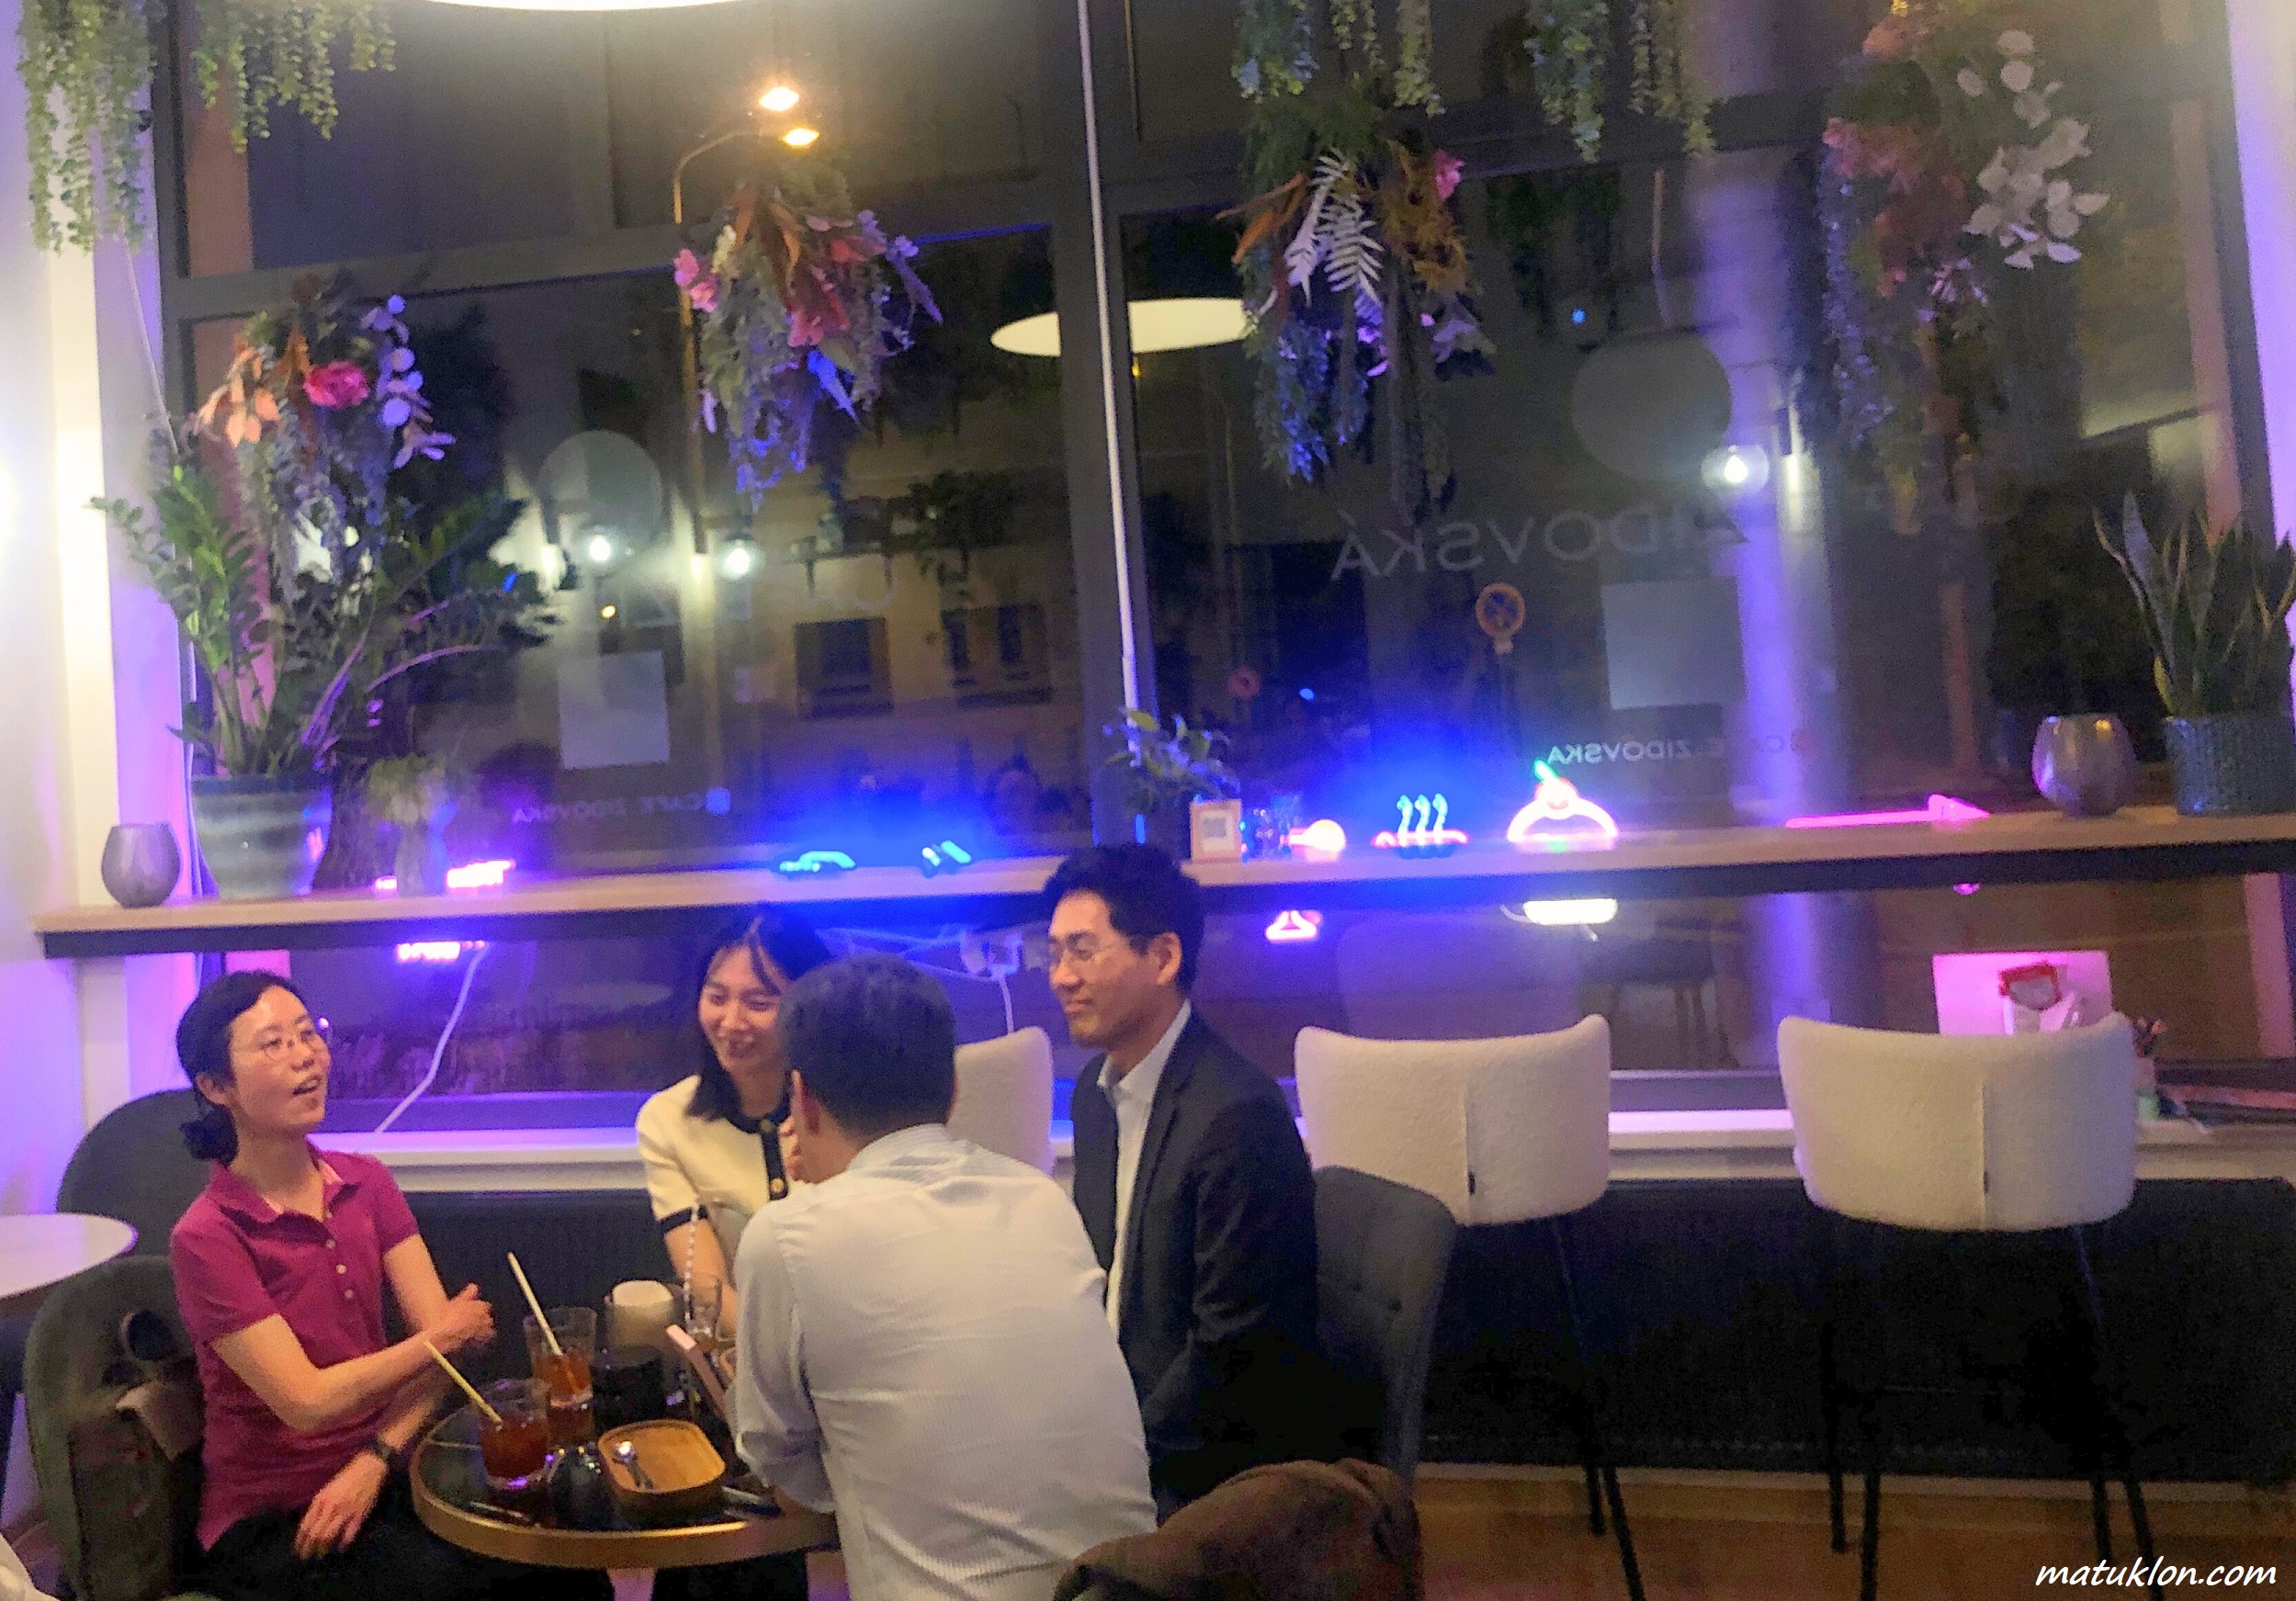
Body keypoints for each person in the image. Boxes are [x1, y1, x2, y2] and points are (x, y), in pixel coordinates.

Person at [735, 954, 1157, 1601]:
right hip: (1131, 1585)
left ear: (801, 1098)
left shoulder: (787, 1237)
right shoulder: (1039, 1195)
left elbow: (781, 1473)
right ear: (953, 1090)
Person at [166, 971, 598, 1601]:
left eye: (306, 1033)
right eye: (271, 1044)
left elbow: (441, 1364)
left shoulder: (366, 1182)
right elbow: (306, 1400)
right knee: (445, 1585)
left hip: (387, 1472)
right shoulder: (207, 1235)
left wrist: (373, 1456)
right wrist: (439, 1337)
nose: (304, 1055)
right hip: (277, 1515)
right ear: (214, 1086)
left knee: (563, 1561)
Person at [1047, 844, 1332, 1513]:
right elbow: (1106, 1280)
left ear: (1163, 957)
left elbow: (1232, 1355)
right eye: (1053, 952)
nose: (1060, 976)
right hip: (1123, 1418)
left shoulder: (1236, 1117)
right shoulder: (1096, 1091)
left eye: (1083, 950)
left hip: (1208, 1466)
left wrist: (1109, 1457)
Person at [634, 909, 833, 1601]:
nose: (732, 1018)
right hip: (746, 1365)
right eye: (717, 994)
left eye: (760, 999)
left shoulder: (846, 1105)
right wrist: (770, 1386)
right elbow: (707, 1287)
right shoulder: (670, 1120)